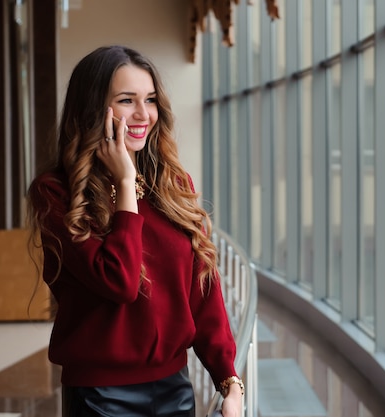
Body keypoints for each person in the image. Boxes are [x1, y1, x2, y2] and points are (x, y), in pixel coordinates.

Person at [27, 45, 243, 417]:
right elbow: (120, 283)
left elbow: (201, 288)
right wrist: (125, 183)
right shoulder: (56, 193)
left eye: (151, 100)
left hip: (175, 388)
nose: (144, 115)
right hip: (100, 396)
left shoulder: (173, 183)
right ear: (94, 109)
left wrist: (229, 381)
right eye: (127, 101)